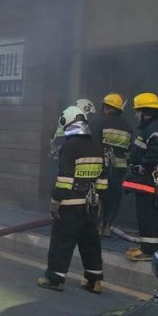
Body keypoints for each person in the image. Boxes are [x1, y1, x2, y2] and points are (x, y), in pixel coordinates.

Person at [38, 105, 107, 294]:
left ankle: (55, 279)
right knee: (90, 242)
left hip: (70, 204)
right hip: (91, 204)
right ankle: (94, 281)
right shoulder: (97, 145)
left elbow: (65, 179)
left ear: (66, 123)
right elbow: (102, 179)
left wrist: (55, 200)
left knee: (62, 242)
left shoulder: (70, 146)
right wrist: (98, 199)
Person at [122, 92, 158, 261]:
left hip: (150, 179)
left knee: (148, 215)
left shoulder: (156, 128)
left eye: (137, 111)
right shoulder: (152, 127)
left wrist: (144, 165)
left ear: (146, 112)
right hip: (146, 180)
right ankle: (146, 246)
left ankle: (149, 251)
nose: (136, 115)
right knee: (145, 214)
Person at [89, 93, 133, 237]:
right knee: (114, 197)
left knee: (98, 196)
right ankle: (107, 225)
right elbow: (128, 150)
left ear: (106, 107)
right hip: (119, 169)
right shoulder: (127, 127)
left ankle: (96, 226)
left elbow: (92, 145)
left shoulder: (98, 122)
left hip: (102, 168)